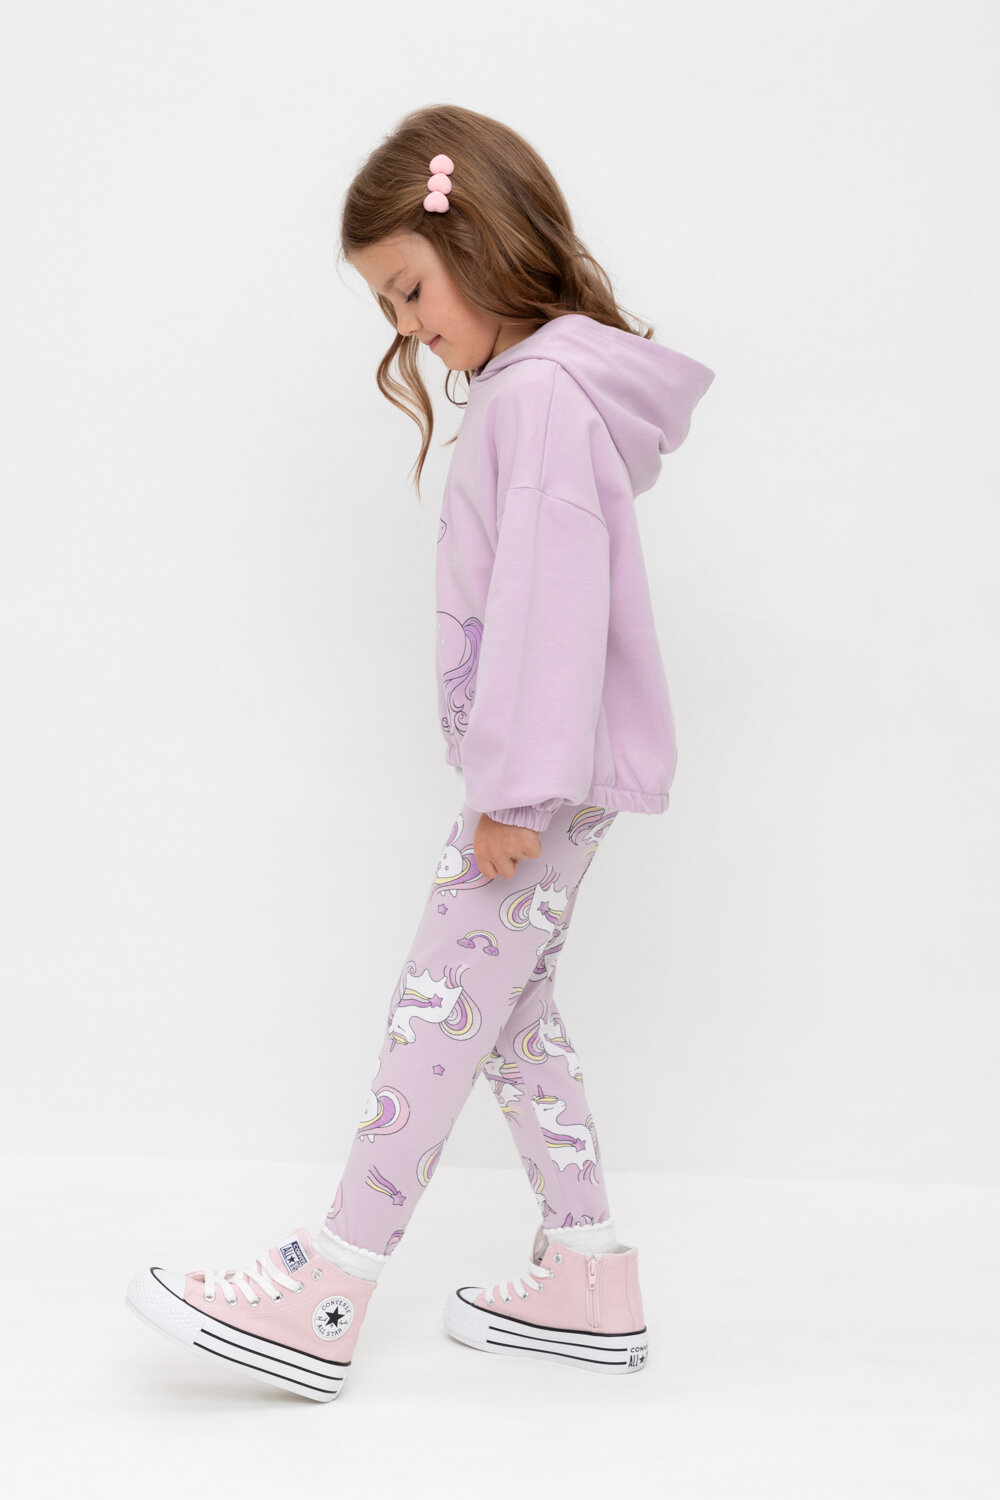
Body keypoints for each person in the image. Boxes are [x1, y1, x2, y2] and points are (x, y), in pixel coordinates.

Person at [125, 102, 715, 1402]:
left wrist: (511, 790)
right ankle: (589, 1274)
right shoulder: (535, 390)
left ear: (482, 239)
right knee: (509, 1014)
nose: (406, 327)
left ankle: (329, 1286)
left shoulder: (539, 396)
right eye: (386, 306)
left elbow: (548, 608)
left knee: (436, 1008)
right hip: (547, 773)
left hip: (534, 779)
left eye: (410, 289)